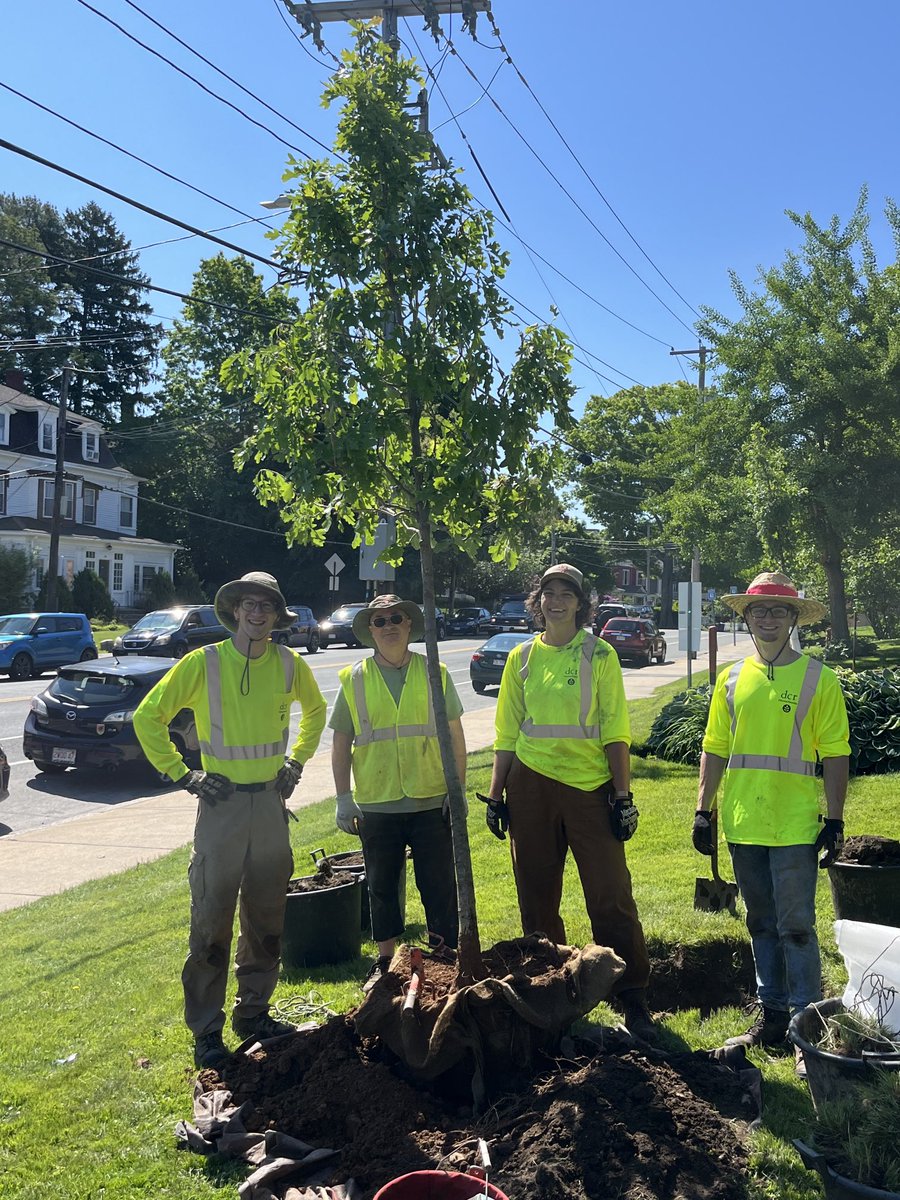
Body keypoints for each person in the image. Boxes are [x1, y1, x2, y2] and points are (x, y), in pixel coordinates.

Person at [134, 572, 327, 1069]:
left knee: (266, 917)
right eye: (249, 605)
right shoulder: (204, 663)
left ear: (277, 616)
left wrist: (297, 761)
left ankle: (254, 1014)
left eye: (266, 606)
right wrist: (184, 775)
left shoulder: (288, 664)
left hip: (269, 805)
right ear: (235, 612)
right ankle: (206, 1030)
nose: (257, 614)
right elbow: (147, 716)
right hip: (220, 807)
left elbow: (317, 711)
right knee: (212, 920)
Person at [481, 563, 655, 1040]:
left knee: (610, 894)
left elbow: (616, 731)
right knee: (536, 894)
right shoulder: (521, 658)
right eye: (548, 593)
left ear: (581, 603)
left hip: (588, 788)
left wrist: (623, 796)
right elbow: (506, 733)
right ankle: (549, 991)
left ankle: (632, 996)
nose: (556, 601)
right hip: (530, 785)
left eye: (567, 594)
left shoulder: (599, 656)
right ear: (537, 602)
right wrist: (496, 796)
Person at [694, 571, 850, 1052]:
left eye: (778, 611)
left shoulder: (818, 679)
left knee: (797, 927)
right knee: (760, 923)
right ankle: (773, 1015)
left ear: (792, 618)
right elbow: (715, 747)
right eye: (758, 610)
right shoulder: (731, 679)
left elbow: (837, 752)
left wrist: (836, 818)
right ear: (746, 617)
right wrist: (703, 809)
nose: (767, 618)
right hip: (744, 822)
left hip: (795, 825)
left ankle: (808, 1026)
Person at [330, 594, 466, 991]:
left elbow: (454, 735)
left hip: (430, 796)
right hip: (377, 801)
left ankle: (444, 955)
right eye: (379, 620)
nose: (388, 625)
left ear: (410, 625)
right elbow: (341, 743)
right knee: (382, 884)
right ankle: (386, 959)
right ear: (370, 631)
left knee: (439, 883)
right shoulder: (353, 679)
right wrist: (342, 797)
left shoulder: (434, 672)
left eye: (396, 618)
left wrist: (455, 791)